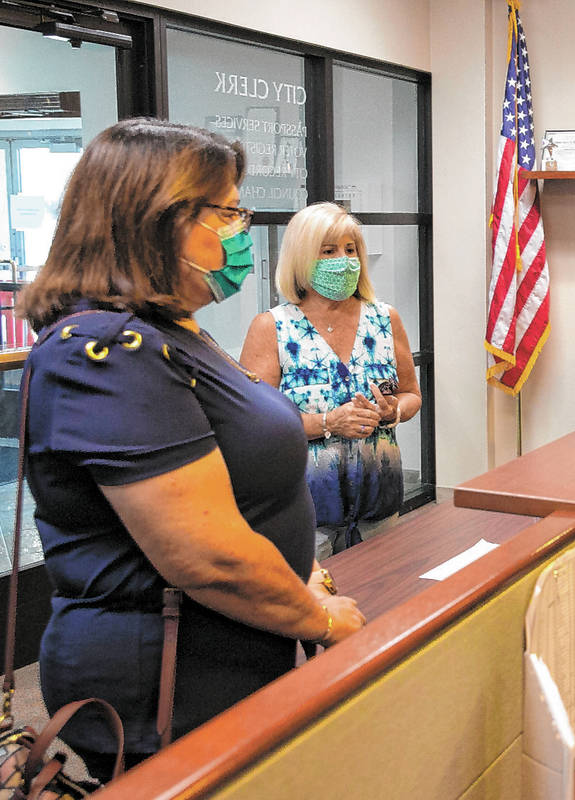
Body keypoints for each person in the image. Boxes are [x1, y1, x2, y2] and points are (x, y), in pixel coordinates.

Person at [17, 118, 365, 779]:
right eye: (228, 210)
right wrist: (316, 616)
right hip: (164, 687)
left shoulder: (173, 332)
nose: (242, 230)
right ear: (157, 218)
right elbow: (206, 556)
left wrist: (297, 577)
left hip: (231, 657)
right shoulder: (105, 354)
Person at [240, 202, 421, 560]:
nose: (345, 260)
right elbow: (254, 429)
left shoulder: (385, 319)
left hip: (379, 508)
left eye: (350, 249)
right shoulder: (273, 327)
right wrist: (327, 423)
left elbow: (411, 394)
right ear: (302, 259)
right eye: (329, 251)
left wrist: (392, 411)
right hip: (304, 517)